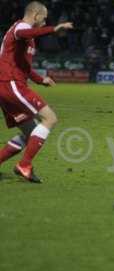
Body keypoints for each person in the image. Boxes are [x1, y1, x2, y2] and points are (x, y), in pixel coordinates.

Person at [0, 1, 73, 183]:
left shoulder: (28, 39)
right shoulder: (21, 27)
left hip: (9, 85)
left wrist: (41, 80)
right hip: (11, 84)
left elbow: (24, 67)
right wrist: (53, 29)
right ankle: (24, 165)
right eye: (44, 17)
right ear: (35, 14)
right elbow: (25, 32)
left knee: (30, 132)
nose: (44, 20)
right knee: (50, 119)